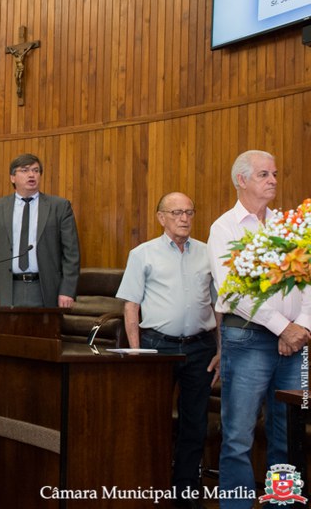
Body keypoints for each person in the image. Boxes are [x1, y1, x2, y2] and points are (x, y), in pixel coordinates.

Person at [207, 150, 310, 509]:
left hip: (295, 344)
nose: (273, 181)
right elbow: (233, 292)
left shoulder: (287, 225)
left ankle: (283, 504)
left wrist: (301, 327)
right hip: (247, 339)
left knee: (288, 435)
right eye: (264, 174)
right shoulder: (224, 228)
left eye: (275, 174)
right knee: (238, 437)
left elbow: (307, 279)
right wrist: (283, 327)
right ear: (241, 180)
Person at [116, 192, 219, 509]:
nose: (184, 218)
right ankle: (151, 490)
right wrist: (136, 353)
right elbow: (131, 306)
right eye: (176, 212)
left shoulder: (207, 253)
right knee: (153, 422)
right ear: (161, 217)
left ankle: (185, 494)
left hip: (201, 348)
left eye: (189, 212)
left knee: (195, 424)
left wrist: (222, 350)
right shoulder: (142, 254)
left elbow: (218, 305)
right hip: (157, 348)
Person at [0, 153, 80, 307]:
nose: (31, 175)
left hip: (46, 288)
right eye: (25, 170)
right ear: (12, 177)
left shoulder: (59, 207)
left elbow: (71, 253)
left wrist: (67, 290)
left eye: (36, 170)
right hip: (5, 289)